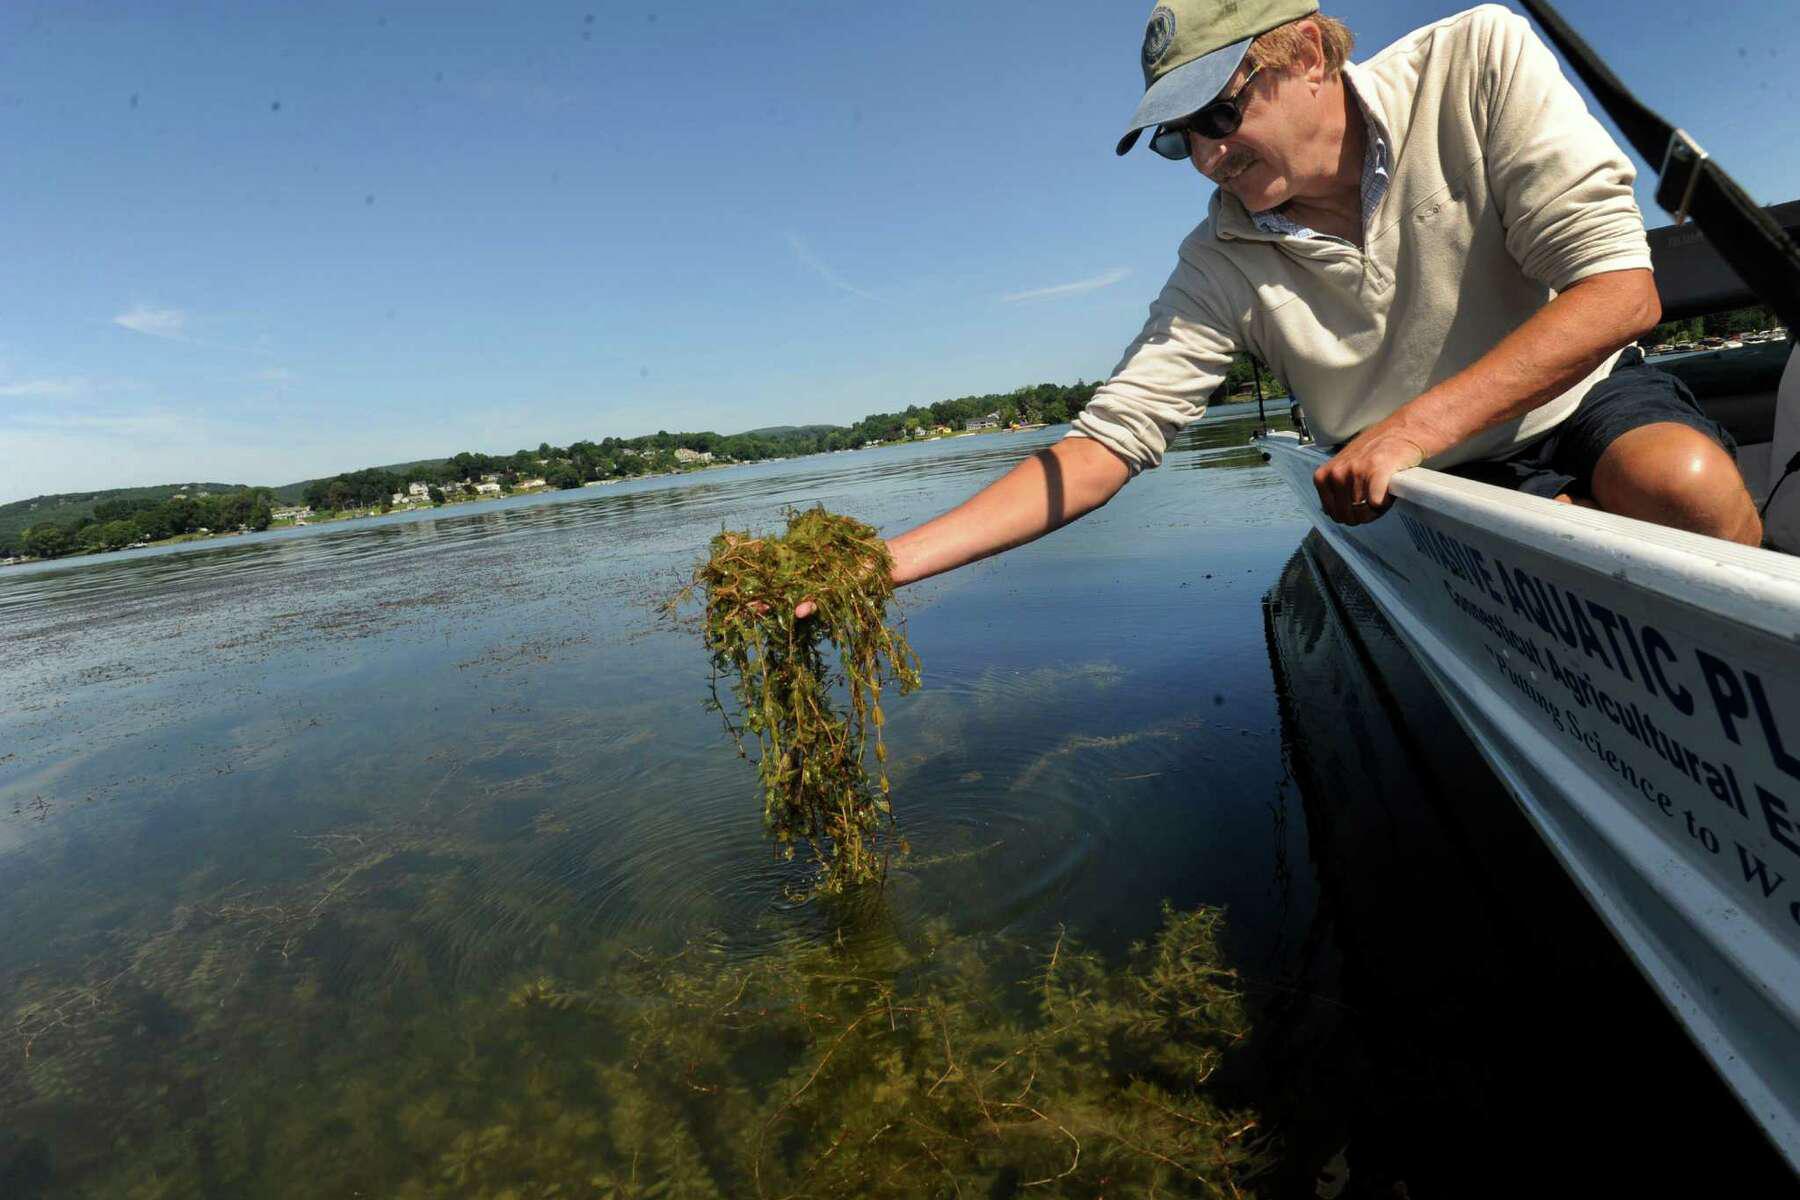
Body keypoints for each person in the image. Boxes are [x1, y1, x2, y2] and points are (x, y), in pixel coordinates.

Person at [799, 0, 1761, 620]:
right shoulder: (1218, 259)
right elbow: (1102, 448)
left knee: (1689, 486)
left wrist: (1407, 432)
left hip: (1569, 407)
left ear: (1306, 52)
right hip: (1417, 501)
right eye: (1183, 142)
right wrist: (881, 566)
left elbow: (1619, 291)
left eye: (1219, 115)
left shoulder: (1478, 58)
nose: (1211, 158)